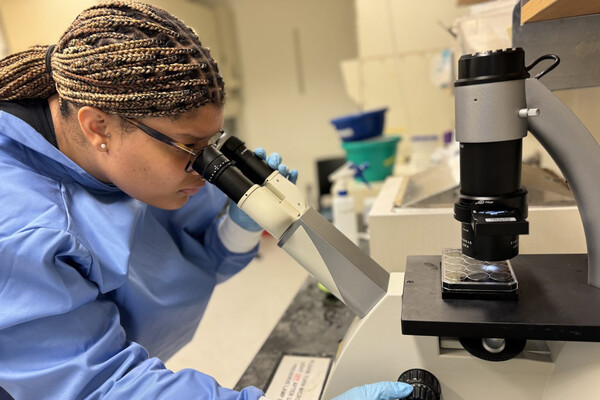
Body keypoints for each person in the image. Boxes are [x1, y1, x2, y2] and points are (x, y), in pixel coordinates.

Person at [0, 1, 413, 399]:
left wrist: (241, 223)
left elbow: (198, 256)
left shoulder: (129, 158)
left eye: (211, 143)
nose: (204, 166)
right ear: (98, 127)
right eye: (190, 146)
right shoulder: (23, 226)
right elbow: (98, 387)